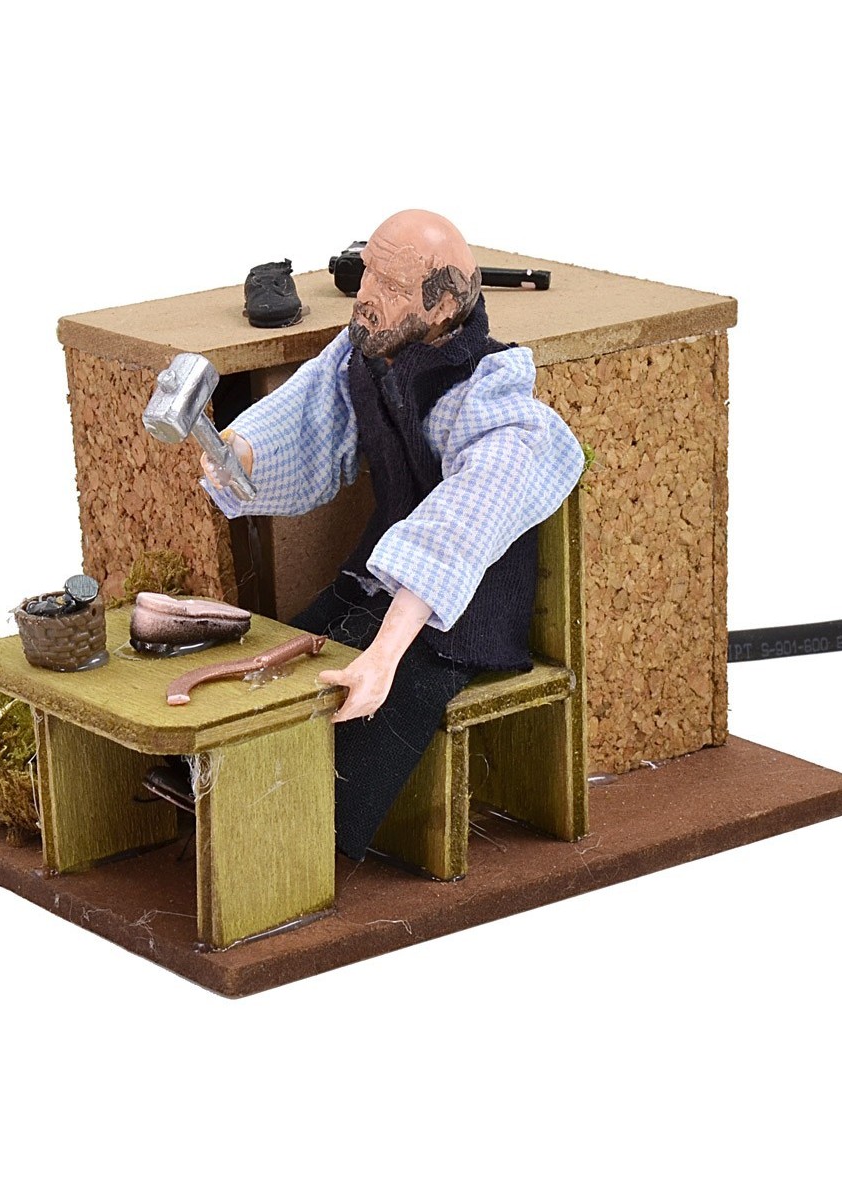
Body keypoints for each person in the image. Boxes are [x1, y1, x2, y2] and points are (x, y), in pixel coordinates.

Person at [201, 210, 583, 861]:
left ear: (441, 307)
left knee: (361, 728)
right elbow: (307, 412)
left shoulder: (493, 402)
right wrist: (240, 452)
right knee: (274, 665)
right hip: (373, 581)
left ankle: (299, 854)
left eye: (393, 286)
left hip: (456, 612)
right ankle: (214, 811)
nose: (367, 296)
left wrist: (382, 656)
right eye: (368, 274)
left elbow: (458, 527)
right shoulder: (369, 352)